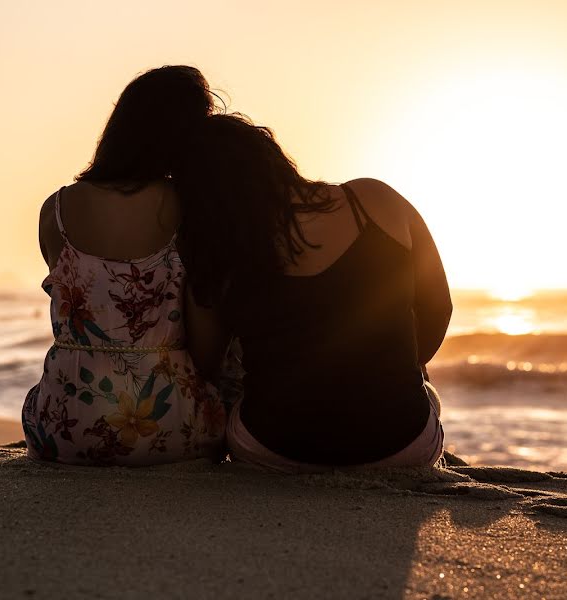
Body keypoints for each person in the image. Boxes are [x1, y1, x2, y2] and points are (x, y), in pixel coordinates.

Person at [173, 114, 452, 472]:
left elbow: (206, 362)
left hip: (274, 450)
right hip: (401, 447)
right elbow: (438, 308)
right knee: (427, 393)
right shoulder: (374, 199)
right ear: (273, 159)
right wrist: (403, 370)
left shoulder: (218, 250)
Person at [22, 66, 226, 466]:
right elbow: (207, 348)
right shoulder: (189, 209)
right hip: (168, 431)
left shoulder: (56, 210)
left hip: (62, 427)